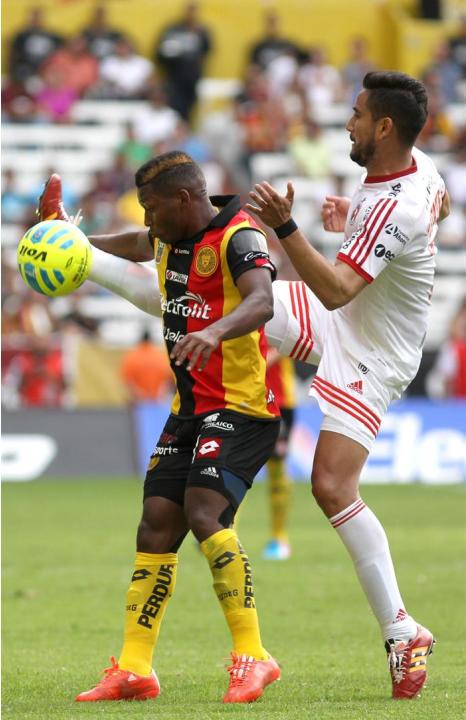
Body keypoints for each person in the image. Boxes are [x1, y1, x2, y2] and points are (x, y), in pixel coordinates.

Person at [37, 152, 281, 704]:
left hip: (242, 407)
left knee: (202, 512)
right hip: (190, 408)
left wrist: (215, 332)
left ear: (184, 200)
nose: (147, 220)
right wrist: (73, 241)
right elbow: (135, 245)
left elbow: (263, 301)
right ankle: (134, 669)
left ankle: (255, 656)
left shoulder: (240, 237)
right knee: (155, 525)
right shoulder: (168, 234)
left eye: (151, 208)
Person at [245, 71, 449, 700]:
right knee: (227, 296)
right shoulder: (420, 169)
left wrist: (288, 227)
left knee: (331, 485)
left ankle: (402, 630)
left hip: (372, 349)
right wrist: (349, 219)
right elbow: (431, 206)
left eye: (358, 114)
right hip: (340, 317)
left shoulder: (397, 203)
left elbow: (336, 287)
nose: (348, 123)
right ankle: (85, 256)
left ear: (385, 127)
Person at [263, 349, 296, 560]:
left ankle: (279, 537)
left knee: (276, 471)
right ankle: (223, 531)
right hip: (244, 401)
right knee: (231, 467)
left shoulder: (273, 317)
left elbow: (269, 357)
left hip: (279, 404)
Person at [154, 2, 212, 122]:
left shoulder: (201, 30)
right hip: (174, 78)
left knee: (189, 110)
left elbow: (207, 50)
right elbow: (160, 52)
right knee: (174, 109)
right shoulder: (172, 30)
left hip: (192, 78)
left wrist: (200, 34)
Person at [121, 329, 174, 402]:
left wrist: (138, 394)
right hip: (158, 399)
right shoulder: (160, 356)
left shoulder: (131, 357)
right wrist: (162, 393)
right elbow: (169, 378)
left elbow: (128, 380)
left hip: (139, 400)